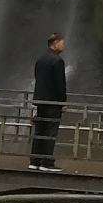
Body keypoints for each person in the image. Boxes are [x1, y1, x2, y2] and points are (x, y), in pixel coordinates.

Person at [31, 34, 68, 171]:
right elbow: (60, 84)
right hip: (53, 102)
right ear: (55, 43)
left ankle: (34, 161)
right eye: (62, 43)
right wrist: (62, 102)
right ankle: (46, 162)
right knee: (50, 131)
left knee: (39, 130)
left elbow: (37, 77)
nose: (64, 46)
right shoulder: (57, 61)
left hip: (40, 101)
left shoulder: (40, 59)